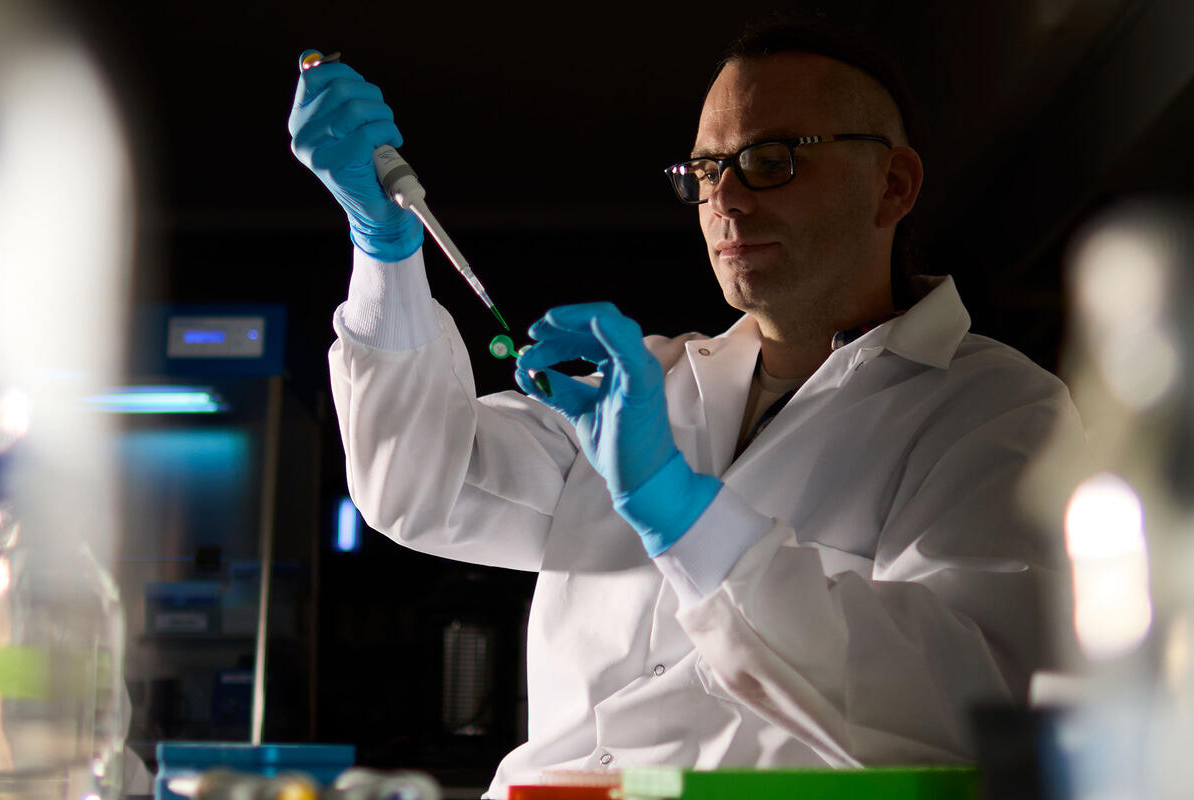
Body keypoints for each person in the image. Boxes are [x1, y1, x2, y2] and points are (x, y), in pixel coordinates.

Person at [289, 19, 1084, 799]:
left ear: (894, 184)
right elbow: (416, 486)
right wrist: (383, 247)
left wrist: (686, 515)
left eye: (771, 160)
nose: (725, 199)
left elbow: (965, 707)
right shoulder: (649, 388)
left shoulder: (997, 409)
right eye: (706, 171)